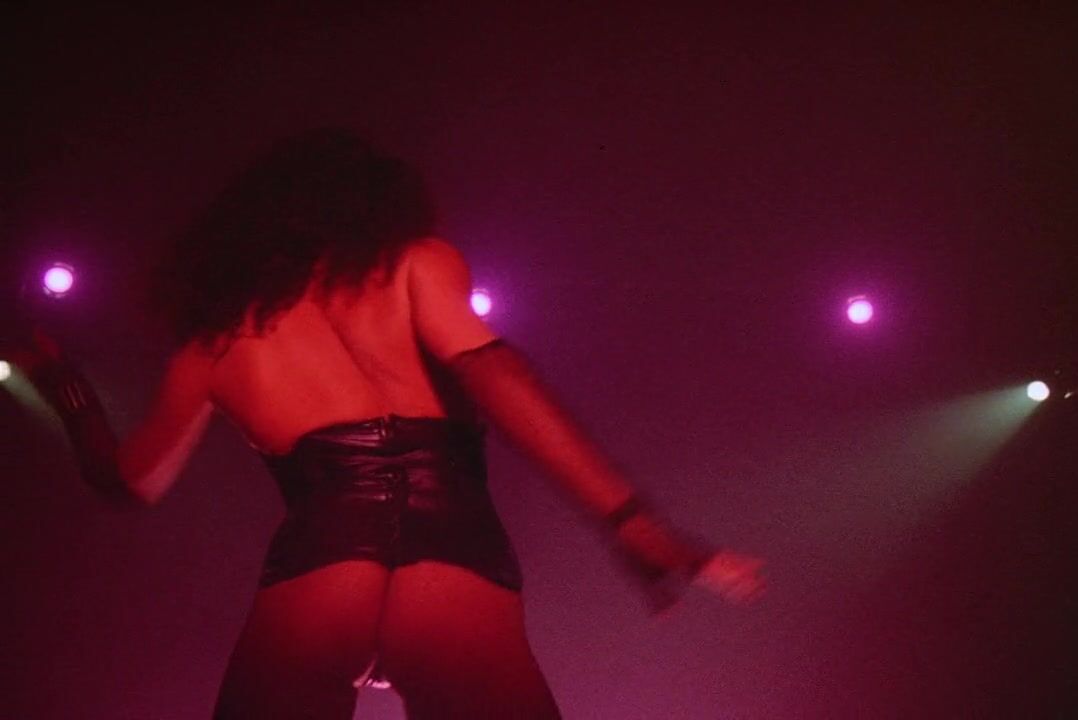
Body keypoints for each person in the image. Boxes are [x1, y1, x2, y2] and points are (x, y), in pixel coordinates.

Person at [11, 128, 765, 719]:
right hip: (452, 556)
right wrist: (633, 524)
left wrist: (62, 389)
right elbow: (501, 379)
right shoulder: (412, 263)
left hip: (319, 569)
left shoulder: (214, 341)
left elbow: (127, 481)